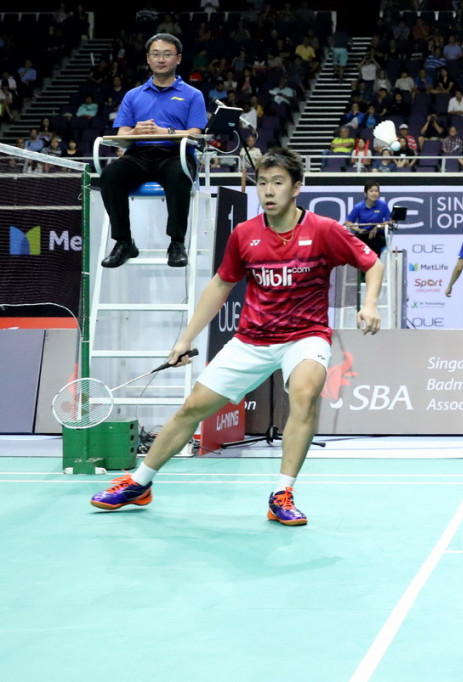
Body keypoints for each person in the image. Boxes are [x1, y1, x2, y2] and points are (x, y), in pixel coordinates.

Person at [89, 148, 384, 524]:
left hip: (305, 335)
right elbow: (220, 285)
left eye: (278, 182)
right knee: (193, 407)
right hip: (253, 339)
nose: (268, 191)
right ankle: (139, 482)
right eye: (262, 183)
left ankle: (282, 493)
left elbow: (372, 264)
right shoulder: (245, 234)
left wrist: (370, 303)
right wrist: (185, 338)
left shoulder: (323, 230)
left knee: (306, 394)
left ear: (297, 188)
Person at [98, 33, 208, 269]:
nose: (161, 59)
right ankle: (124, 242)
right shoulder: (133, 95)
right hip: (139, 155)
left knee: (179, 175)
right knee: (110, 174)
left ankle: (177, 243)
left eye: (167, 54)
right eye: (156, 54)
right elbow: (121, 138)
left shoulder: (193, 95)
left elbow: (195, 134)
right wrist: (136, 132)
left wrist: (166, 132)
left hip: (175, 155)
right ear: (148, 59)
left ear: (178, 59)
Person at [344, 181, 392, 256]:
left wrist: (377, 227)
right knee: (358, 244)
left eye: (376, 191)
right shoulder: (358, 207)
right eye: (371, 191)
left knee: (375, 244)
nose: (374, 193)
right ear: (365, 193)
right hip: (363, 233)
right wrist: (358, 230)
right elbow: (348, 222)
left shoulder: (383, 205)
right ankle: (361, 266)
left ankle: (374, 265)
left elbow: (388, 221)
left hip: (378, 235)